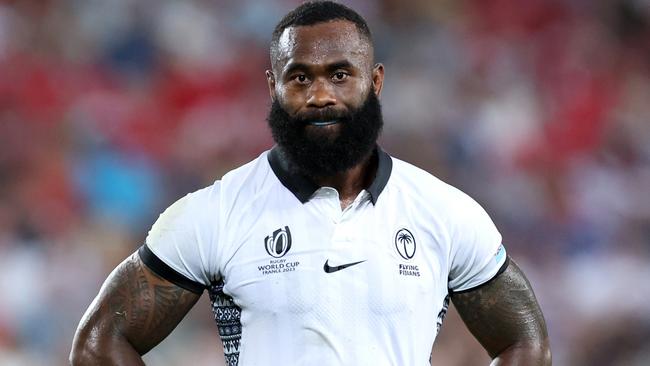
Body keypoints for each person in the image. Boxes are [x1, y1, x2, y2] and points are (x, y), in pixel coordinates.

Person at [70, 1, 551, 365]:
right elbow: (99, 343)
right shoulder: (213, 213)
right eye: (299, 78)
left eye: (340, 75)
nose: (320, 94)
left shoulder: (445, 213)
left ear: (375, 81)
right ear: (273, 87)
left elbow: (525, 341)